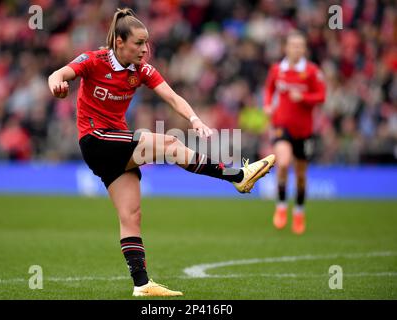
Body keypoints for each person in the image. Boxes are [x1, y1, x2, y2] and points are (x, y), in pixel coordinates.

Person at [48, 8, 275, 297]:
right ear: (119, 42)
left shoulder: (141, 70)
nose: (145, 49)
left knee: (131, 215)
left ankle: (141, 285)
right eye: (139, 43)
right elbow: (60, 72)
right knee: (170, 146)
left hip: (115, 146)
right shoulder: (94, 60)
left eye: (147, 43)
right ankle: (237, 175)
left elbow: (171, 96)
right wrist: (57, 83)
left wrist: (194, 119)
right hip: (96, 139)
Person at [263, 31, 326, 235]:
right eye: (293, 45)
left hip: (304, 130)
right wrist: (267, 105)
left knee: (300, 175)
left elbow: (321, 96)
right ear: (286, 48)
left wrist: (304, 97)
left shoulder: (312, 71)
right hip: (281, 124)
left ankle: (298, 211)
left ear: (304, 49)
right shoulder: (277, 69)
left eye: (300, 46)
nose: (296, 49)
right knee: (282, 163)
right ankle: (281, 207)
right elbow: (269, 89)